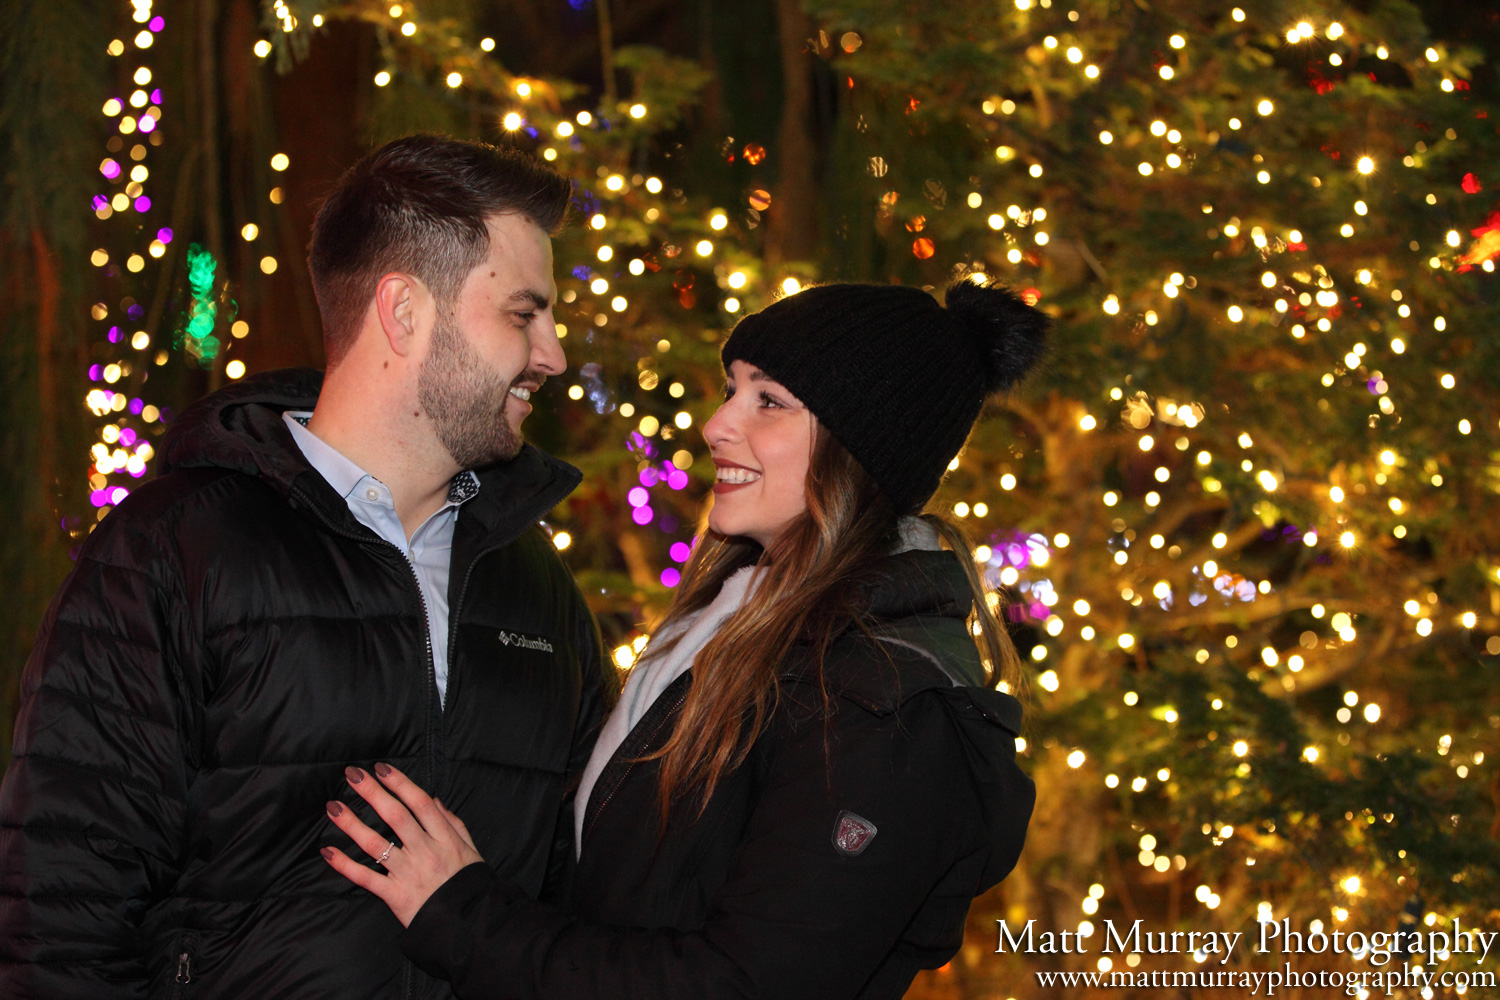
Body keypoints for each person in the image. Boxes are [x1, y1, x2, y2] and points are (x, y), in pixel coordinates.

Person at [0, 134, 616, 999]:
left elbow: (572, 901)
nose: (552, 353)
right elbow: (61, 914)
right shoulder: (174, 549)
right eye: (524, 312)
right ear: (403, 312)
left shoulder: (535, 583)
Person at [322, 278, 1047, 999]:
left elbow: (741, 984)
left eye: (769, 401)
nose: (718, 424)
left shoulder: (883, 702)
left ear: (861, 445)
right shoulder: (730, 620)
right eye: (733, 389)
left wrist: (462, 917)